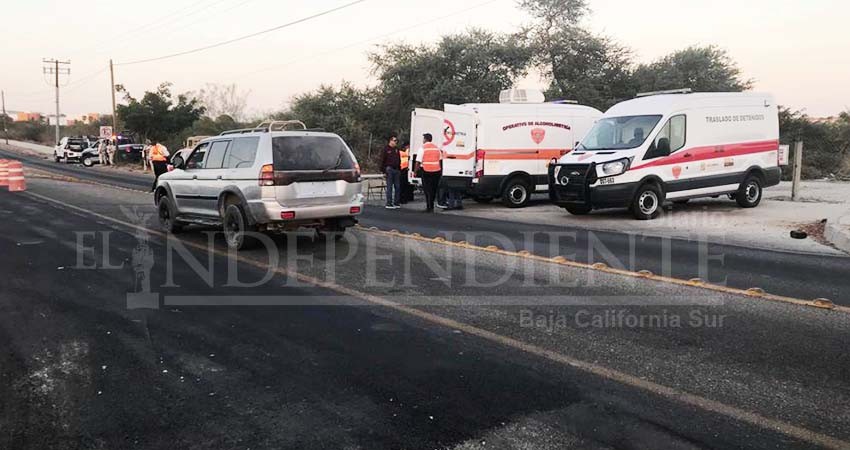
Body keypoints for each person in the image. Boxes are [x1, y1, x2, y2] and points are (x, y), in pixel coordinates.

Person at [415, 133, 442, 212]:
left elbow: (418, 162)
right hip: (436, 171)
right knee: (433, 189)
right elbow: (440, 160)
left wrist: (415, 171)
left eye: (423, 138)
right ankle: (432, 205)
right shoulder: (437, 148)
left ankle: (429, 206)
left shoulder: (422, 148)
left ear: (425, 139)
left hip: (426, 171)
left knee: (427, 189)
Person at [379, 134, 402, 209]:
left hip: (396, 169)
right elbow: (382, 160)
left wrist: (399, 168)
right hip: (389, 169)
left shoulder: (396, 149)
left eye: (396, 141)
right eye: (395, 141)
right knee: (389, 187)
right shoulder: (386, 149)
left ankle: (396, 202)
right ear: (391, 141)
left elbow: (399, 159)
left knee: (397, 187)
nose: (396, 142)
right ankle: (389, 203)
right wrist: (383, 171)